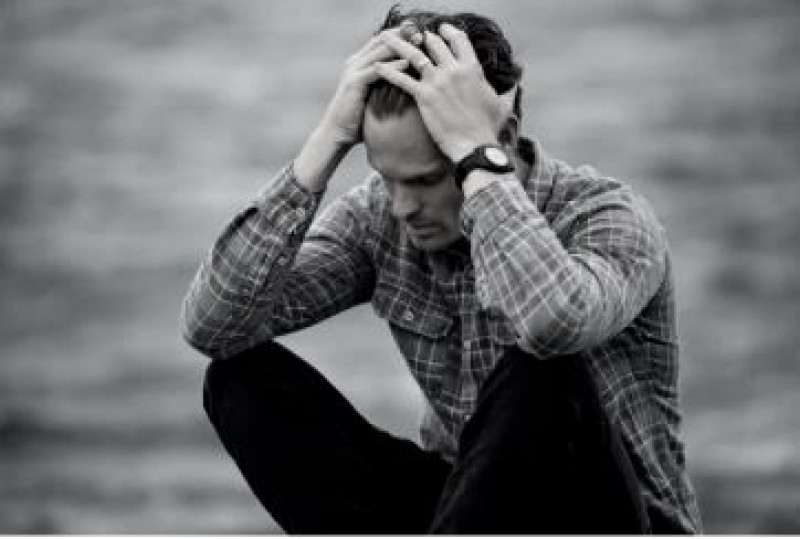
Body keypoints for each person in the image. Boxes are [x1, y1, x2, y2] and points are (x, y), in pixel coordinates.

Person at [181, 6, 702, 534]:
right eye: (388, 178)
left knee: (543, 367)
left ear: (502, 138)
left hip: (605, 518)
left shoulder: (607, 217)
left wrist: (477, 158)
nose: (403, 206)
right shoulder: (381, 218)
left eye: (427, 180)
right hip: (468, 510)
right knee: (239, 379)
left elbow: (551, 323)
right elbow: (214, 327)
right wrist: (328, 139)